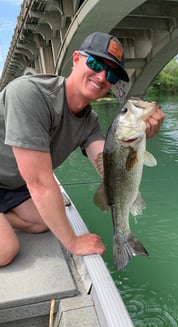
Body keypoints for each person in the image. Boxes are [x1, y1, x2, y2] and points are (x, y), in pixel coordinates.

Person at [0, 31, 164, 266]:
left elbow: (109, 167)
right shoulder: (28, 94)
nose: (102, 76)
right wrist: (74, 242)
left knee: (43, 222)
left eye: (112, 74)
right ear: (76, 58)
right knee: (6, 249)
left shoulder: (90, 122)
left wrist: (140, 136)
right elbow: (38, 182)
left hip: (10, 186)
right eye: (96, 63)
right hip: (19, 183)